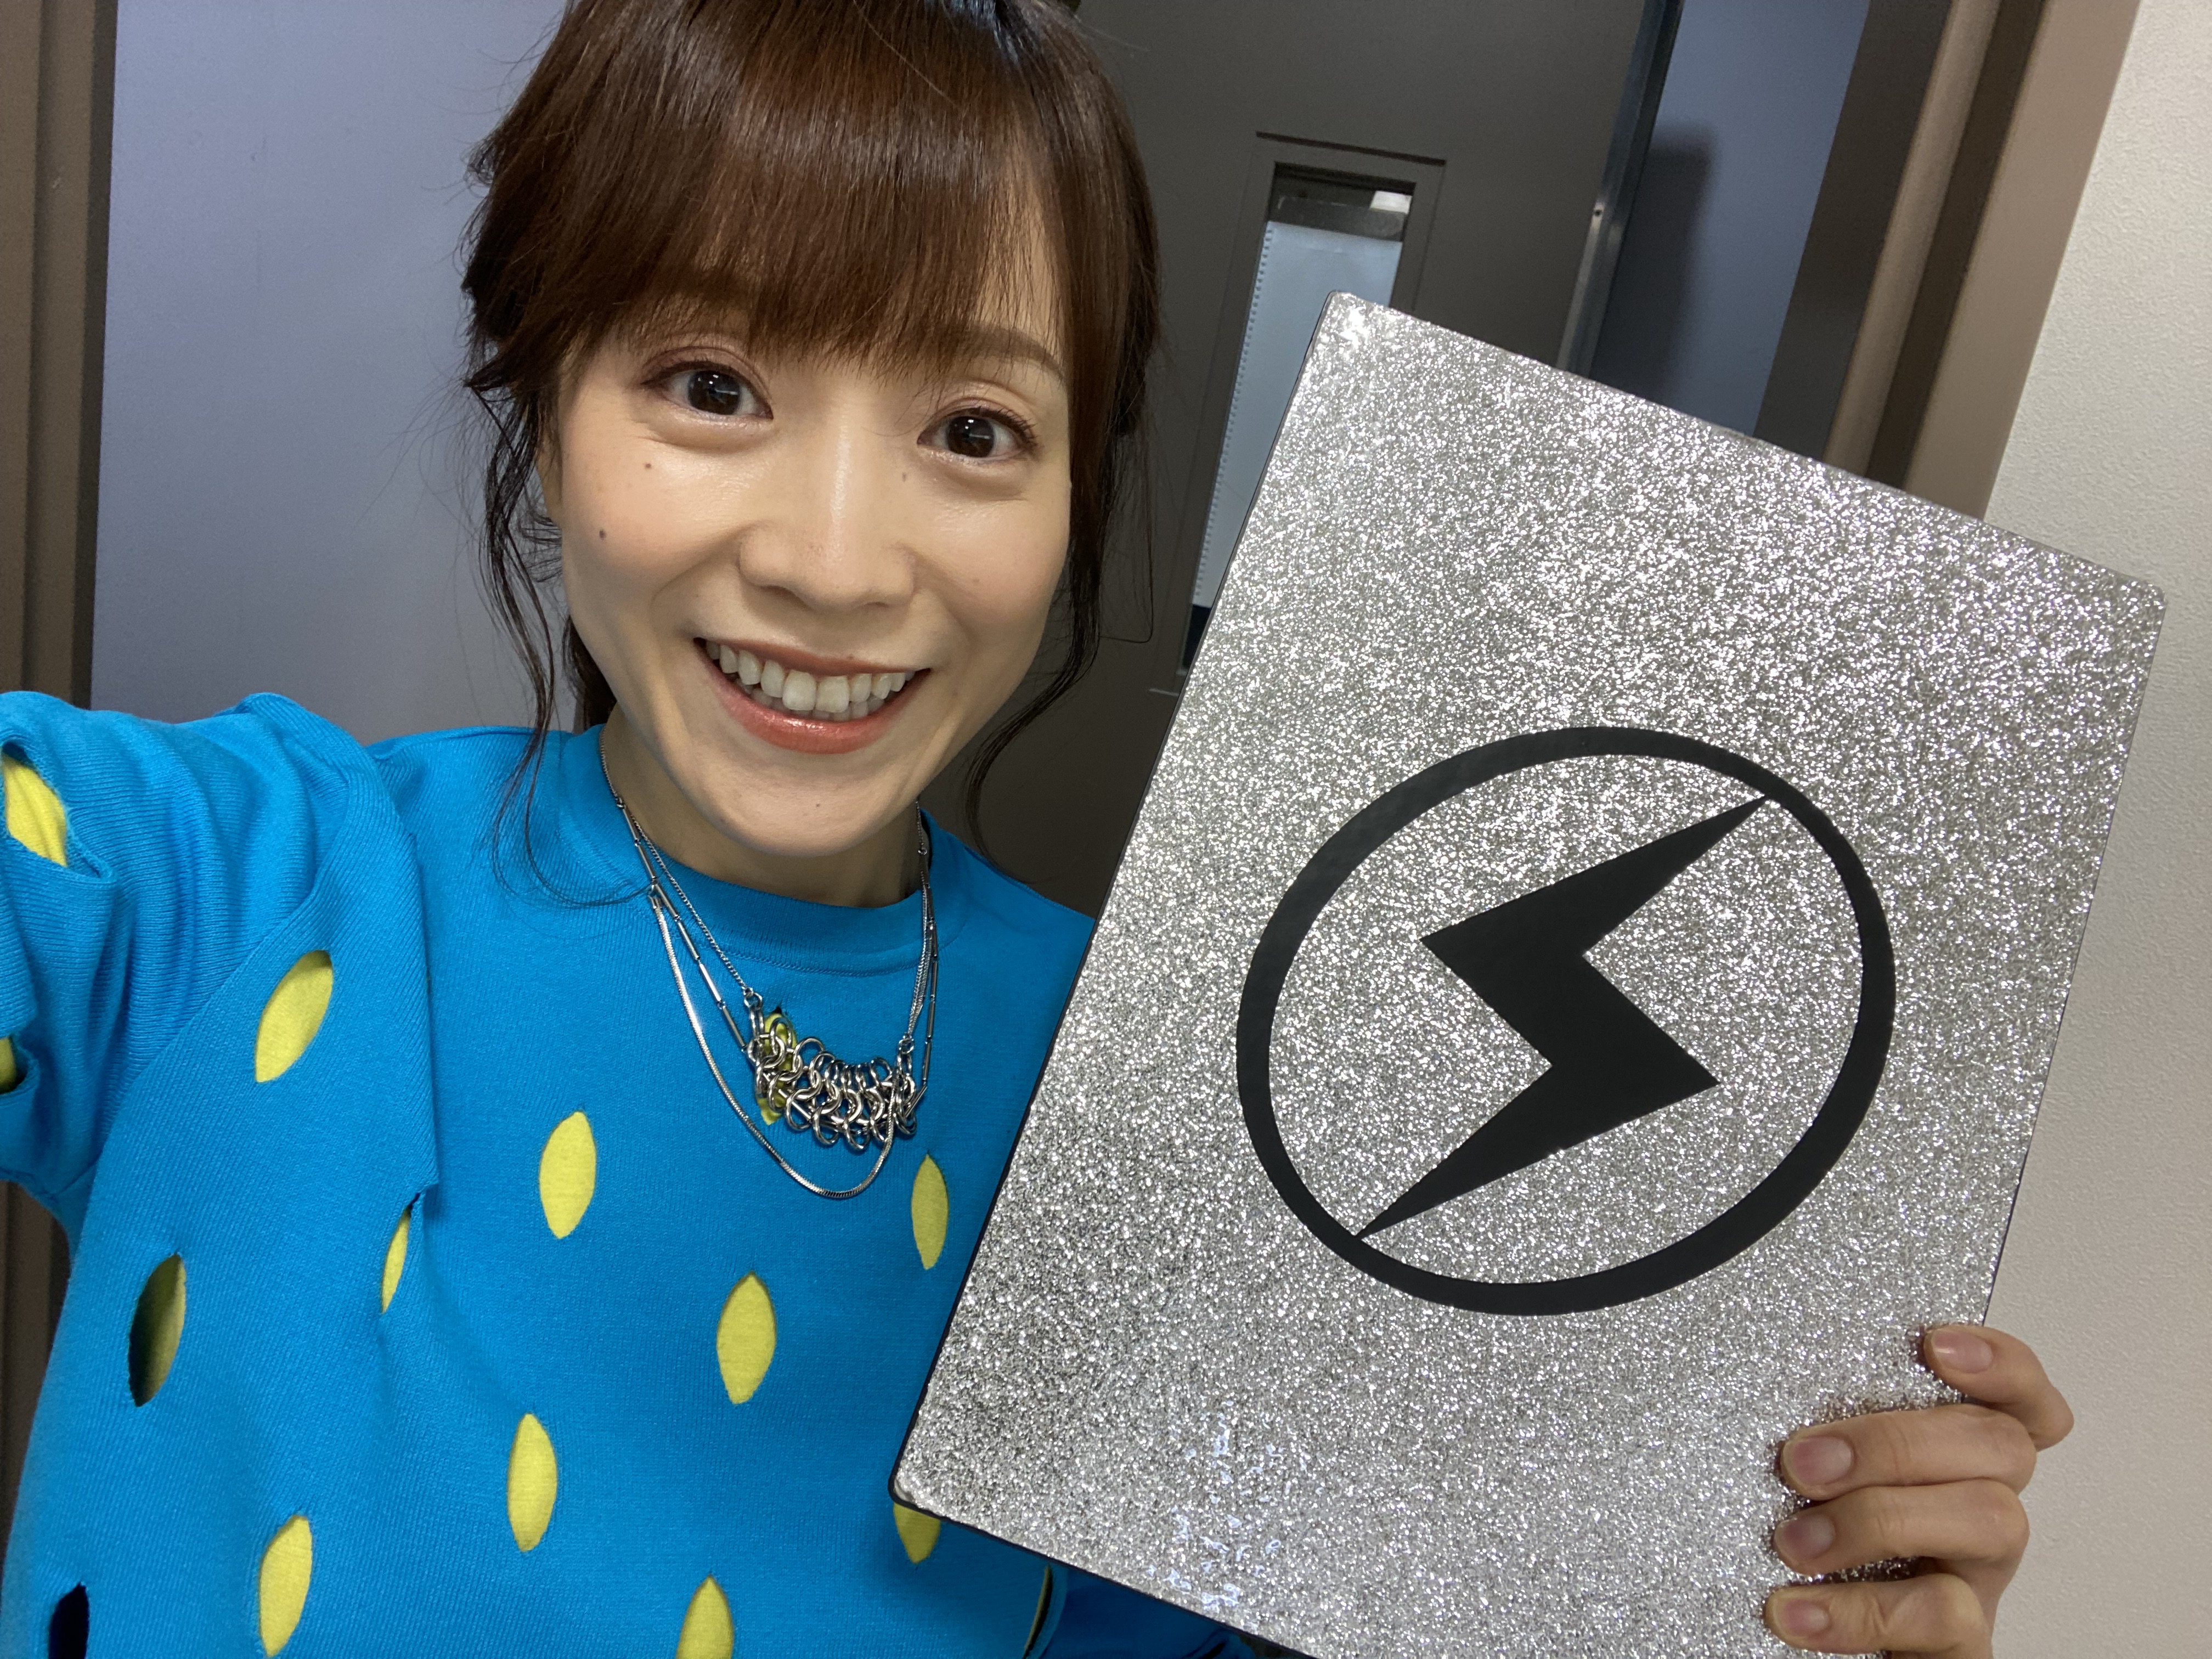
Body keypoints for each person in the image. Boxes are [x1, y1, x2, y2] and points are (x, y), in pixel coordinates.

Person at [0, 2, 2071, 1656]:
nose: (833, 560)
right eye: (711, 383)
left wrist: (1763, 1577)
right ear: (546, 410)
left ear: (1080, 496)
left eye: (974, 429)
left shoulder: (1211, 1109)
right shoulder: (216, 898)